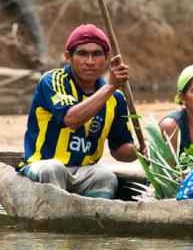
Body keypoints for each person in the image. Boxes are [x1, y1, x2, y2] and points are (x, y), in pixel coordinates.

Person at [20, 24, 137, 199]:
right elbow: (71, 119)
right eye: (82, 54)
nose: (90, 61)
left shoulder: (116, 99)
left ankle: (94, 220)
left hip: (84, 172)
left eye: (97, 54)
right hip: (41, 167)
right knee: (54, 168)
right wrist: (111, 86)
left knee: (105, 177)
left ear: (106, 58)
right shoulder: (53, 81)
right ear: (69, 57)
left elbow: (119, 150)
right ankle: (54, 219)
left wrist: (143, 152)